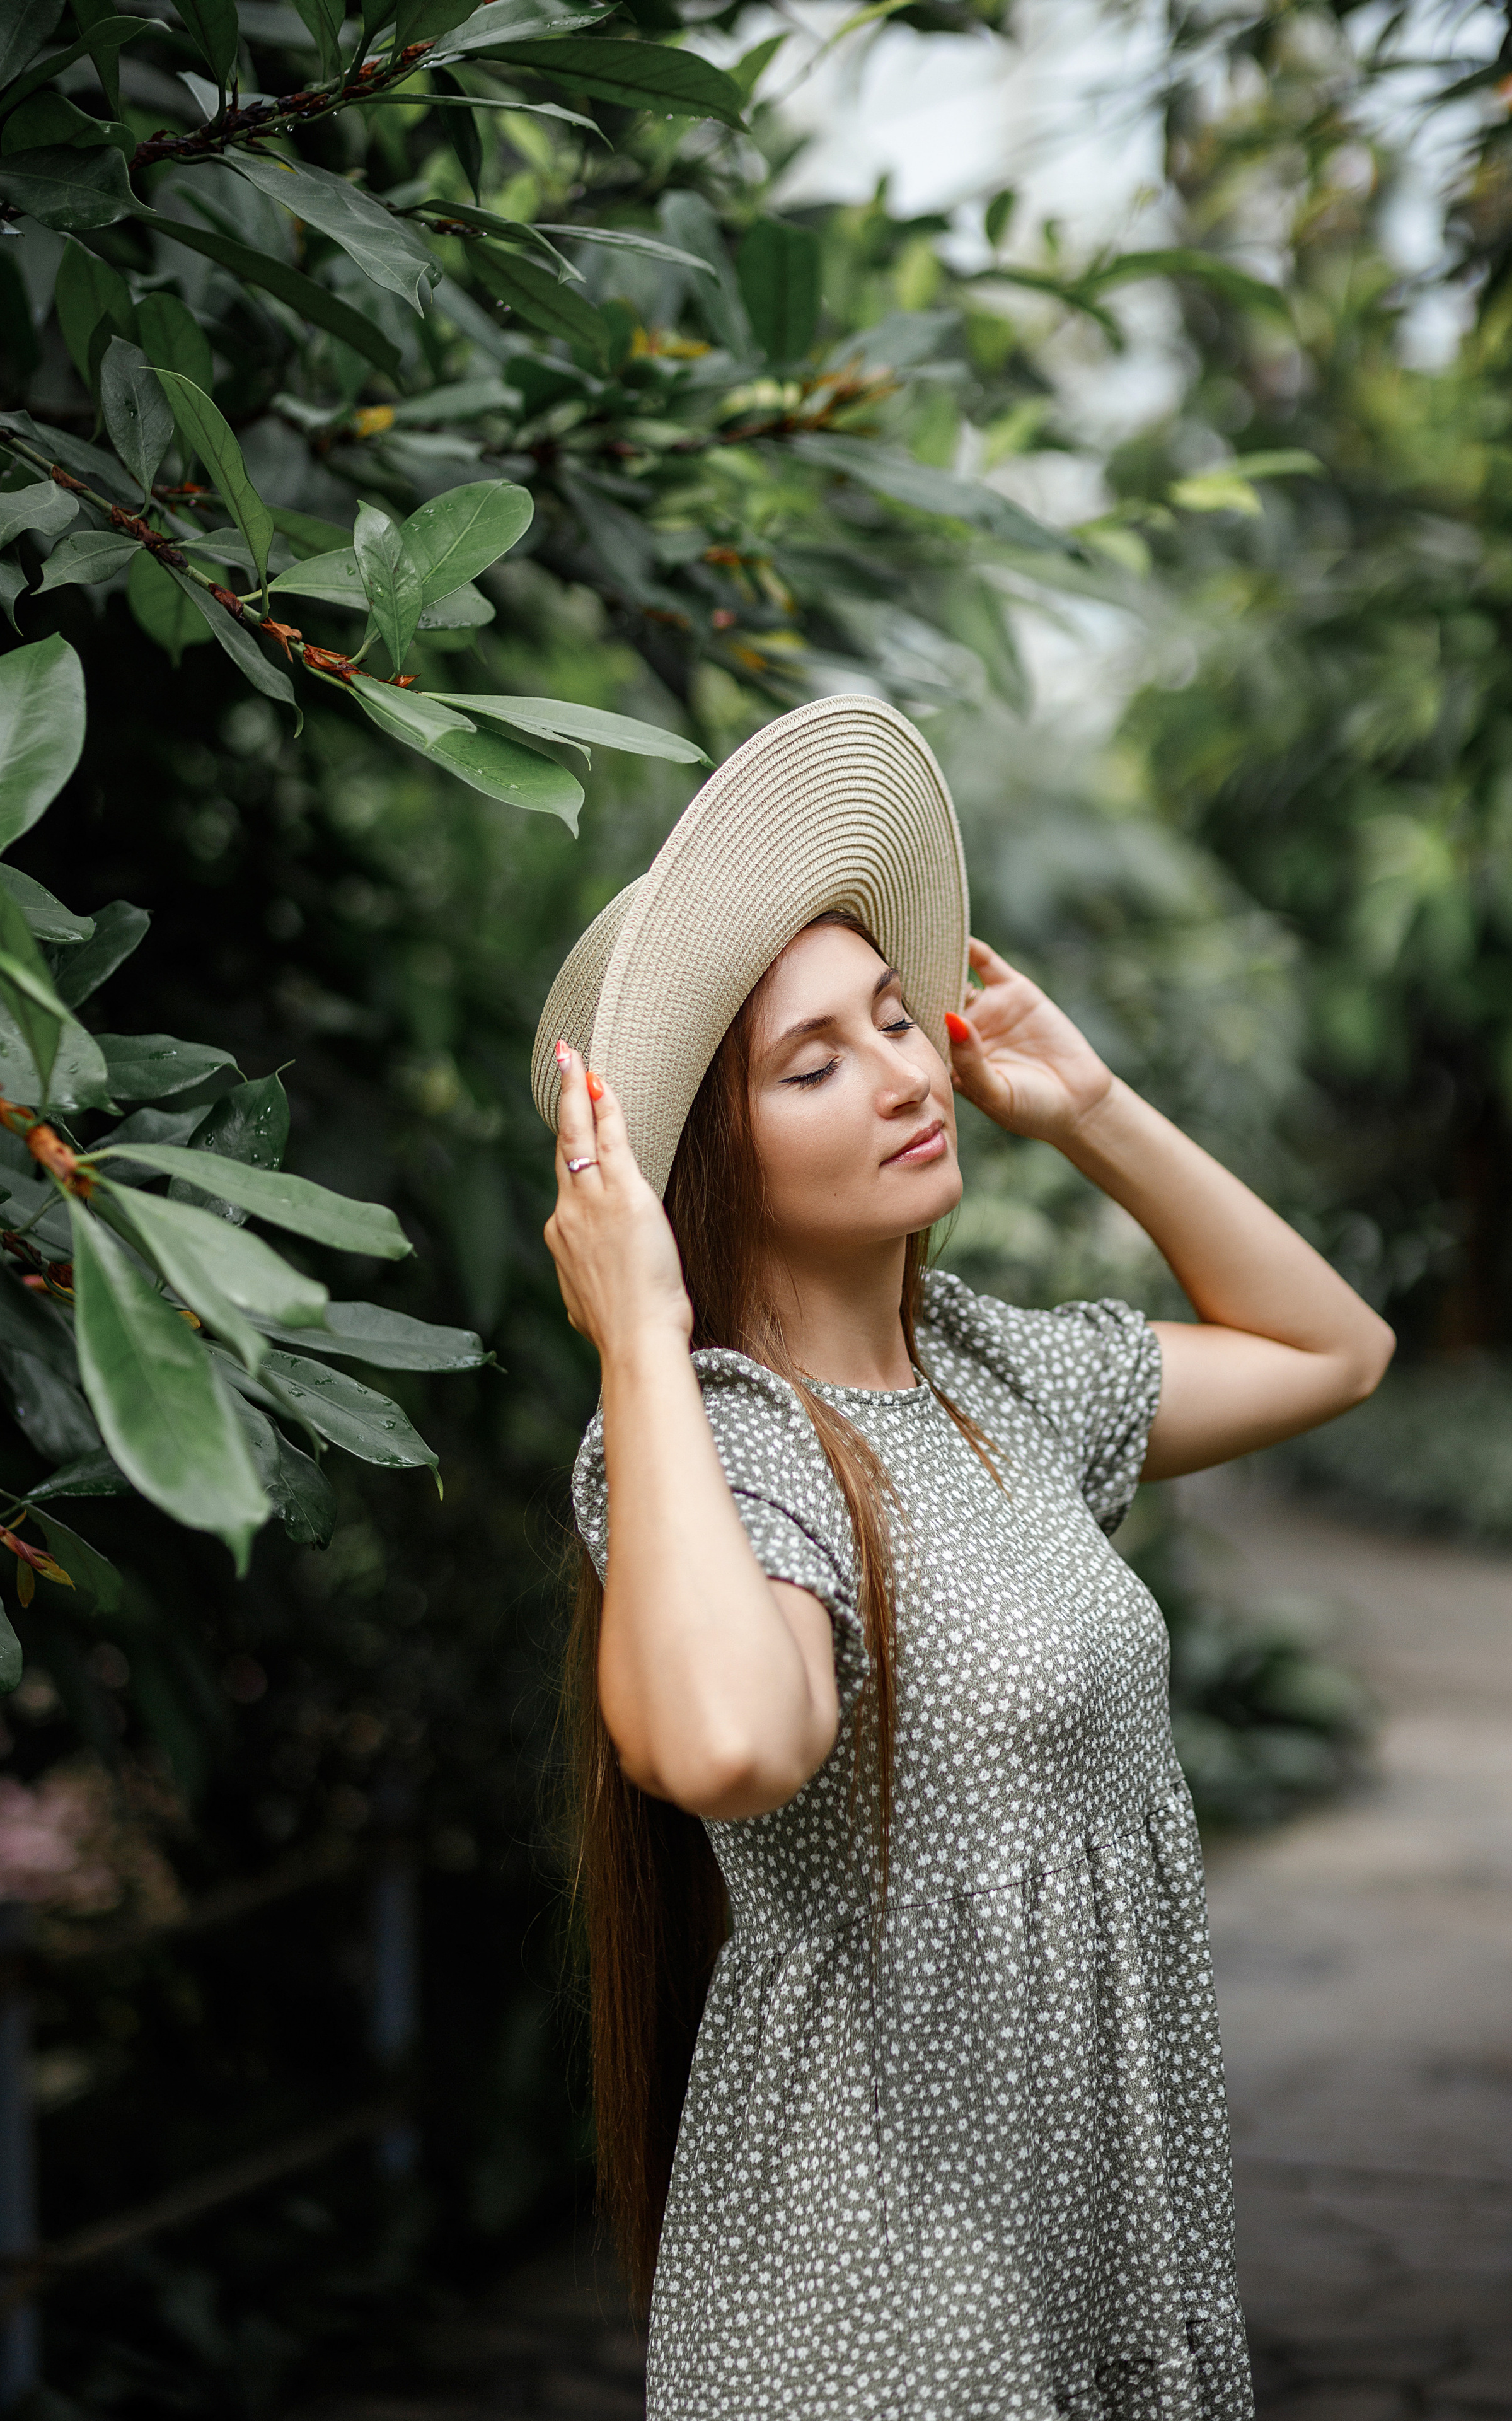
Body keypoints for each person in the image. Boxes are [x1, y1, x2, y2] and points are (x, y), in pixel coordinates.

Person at [531, 696, 1393, 2420]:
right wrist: (639, 1331)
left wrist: (1087, 1107)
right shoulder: (717, 1443)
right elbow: (723, 1746)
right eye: (815, 1062)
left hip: (1095, 2255)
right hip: (885, 2310)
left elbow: (1333, 1352)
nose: (912, 1072)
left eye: (890, 1019)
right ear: (712, 1150)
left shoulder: (1000, 1379)